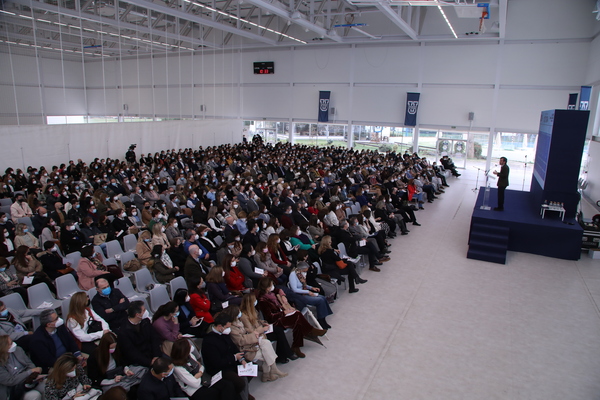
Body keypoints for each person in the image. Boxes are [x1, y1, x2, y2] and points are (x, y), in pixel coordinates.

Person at [256, 277, 326, 358]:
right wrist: (284, 312)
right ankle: (309, 332)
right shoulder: (262, 300)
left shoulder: (271, 292)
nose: (273, 286)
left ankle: (297, 345)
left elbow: (278, 290)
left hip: (282, 314)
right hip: (276, 320)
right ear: (267, 288)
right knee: (297, 316)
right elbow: (270, 317)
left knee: (297, 319)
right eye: (271, 285)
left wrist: (282, 296)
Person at [221, 305, 287, 383]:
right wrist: (253, 334)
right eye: (238, 312)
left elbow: (246, 329)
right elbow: (240, 341)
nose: (240, 313)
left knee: (266, 343)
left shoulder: (238, 321)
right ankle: (270, 372)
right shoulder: (232, 328)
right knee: (266, 352)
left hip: (251, 344)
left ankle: (269, 373)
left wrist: (253, 332)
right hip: (245, 349)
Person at [201, 313, 252, 400]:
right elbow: (216, 362)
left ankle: (243, 394)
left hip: (230, 361)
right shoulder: (209, 341)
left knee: (250, 368)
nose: (229, 329)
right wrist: (234, 358)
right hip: (219, 369)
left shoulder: (224, 334)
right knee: (240, 383)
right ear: (220, 326)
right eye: (227, 327)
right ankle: (240, 396)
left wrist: (242, 359)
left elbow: (233, 347)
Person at [239, 293, 297, 364]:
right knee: (279, 334)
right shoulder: (244, 316)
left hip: (261, 330)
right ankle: (286, 355)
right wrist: (262, 329)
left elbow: (258, 320)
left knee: (279, 330)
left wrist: (263, 323)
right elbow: (251, 330)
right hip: (257, 336)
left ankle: (283, 356)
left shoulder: (253, 310)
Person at [171, 338, 236, 400]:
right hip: (194, 390)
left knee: (228, 385)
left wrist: (199, 374)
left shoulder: (190, 356)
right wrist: (199, 373)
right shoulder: (178, 368)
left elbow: (201, 367)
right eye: (189, 346)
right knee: (219, 393)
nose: (191, 346)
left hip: (204, 381)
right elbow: (195, 383)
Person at [288, 261, 334, 328]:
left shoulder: (300, 274)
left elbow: (304, 285)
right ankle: (320, 320)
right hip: (299, 296)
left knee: (322, 298)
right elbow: (295, 289)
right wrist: (308, 292)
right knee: (320, 300)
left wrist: (312, 288)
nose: (305, 272)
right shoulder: (293, 275)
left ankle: (323, 319)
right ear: (301, 269)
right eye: (305, 270)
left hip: (304, 292)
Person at [116, 301, 161, 368]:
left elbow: (154, 338)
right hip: (139, 362)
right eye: (144, 310)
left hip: (153, 355)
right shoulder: (123, 332)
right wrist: (149, 362)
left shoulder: (145, 321)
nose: (146, 311)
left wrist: (156, 356)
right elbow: (131, 353)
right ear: (137, 314)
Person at [0, 335, 44, 400]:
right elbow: (10, 381)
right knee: (34, 395)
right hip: (15, 389)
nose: (14, 344)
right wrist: (29, 372)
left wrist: (33, 375)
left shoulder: (18, 350)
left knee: (47, 386)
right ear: (3, 347)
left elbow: (29, 364)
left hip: (29, 380)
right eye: (11, 343)